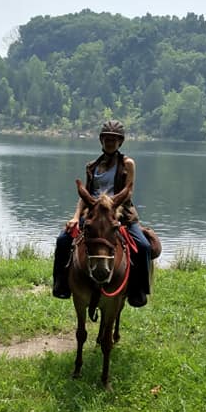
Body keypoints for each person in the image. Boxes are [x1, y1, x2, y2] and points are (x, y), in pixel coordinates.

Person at [52, 119, 151, 307]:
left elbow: (128, 192)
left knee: (144, 246)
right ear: (101, 140)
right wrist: (75, 217)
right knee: (63, 240)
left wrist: (108, 204)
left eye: (114, 139)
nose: (110, 142)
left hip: (120, 213)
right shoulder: (92, 166)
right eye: (107, 139)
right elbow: (85, 196)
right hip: (94, 214)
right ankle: (61, 284)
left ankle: (138, 291)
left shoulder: (127, 163)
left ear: (120, 142)